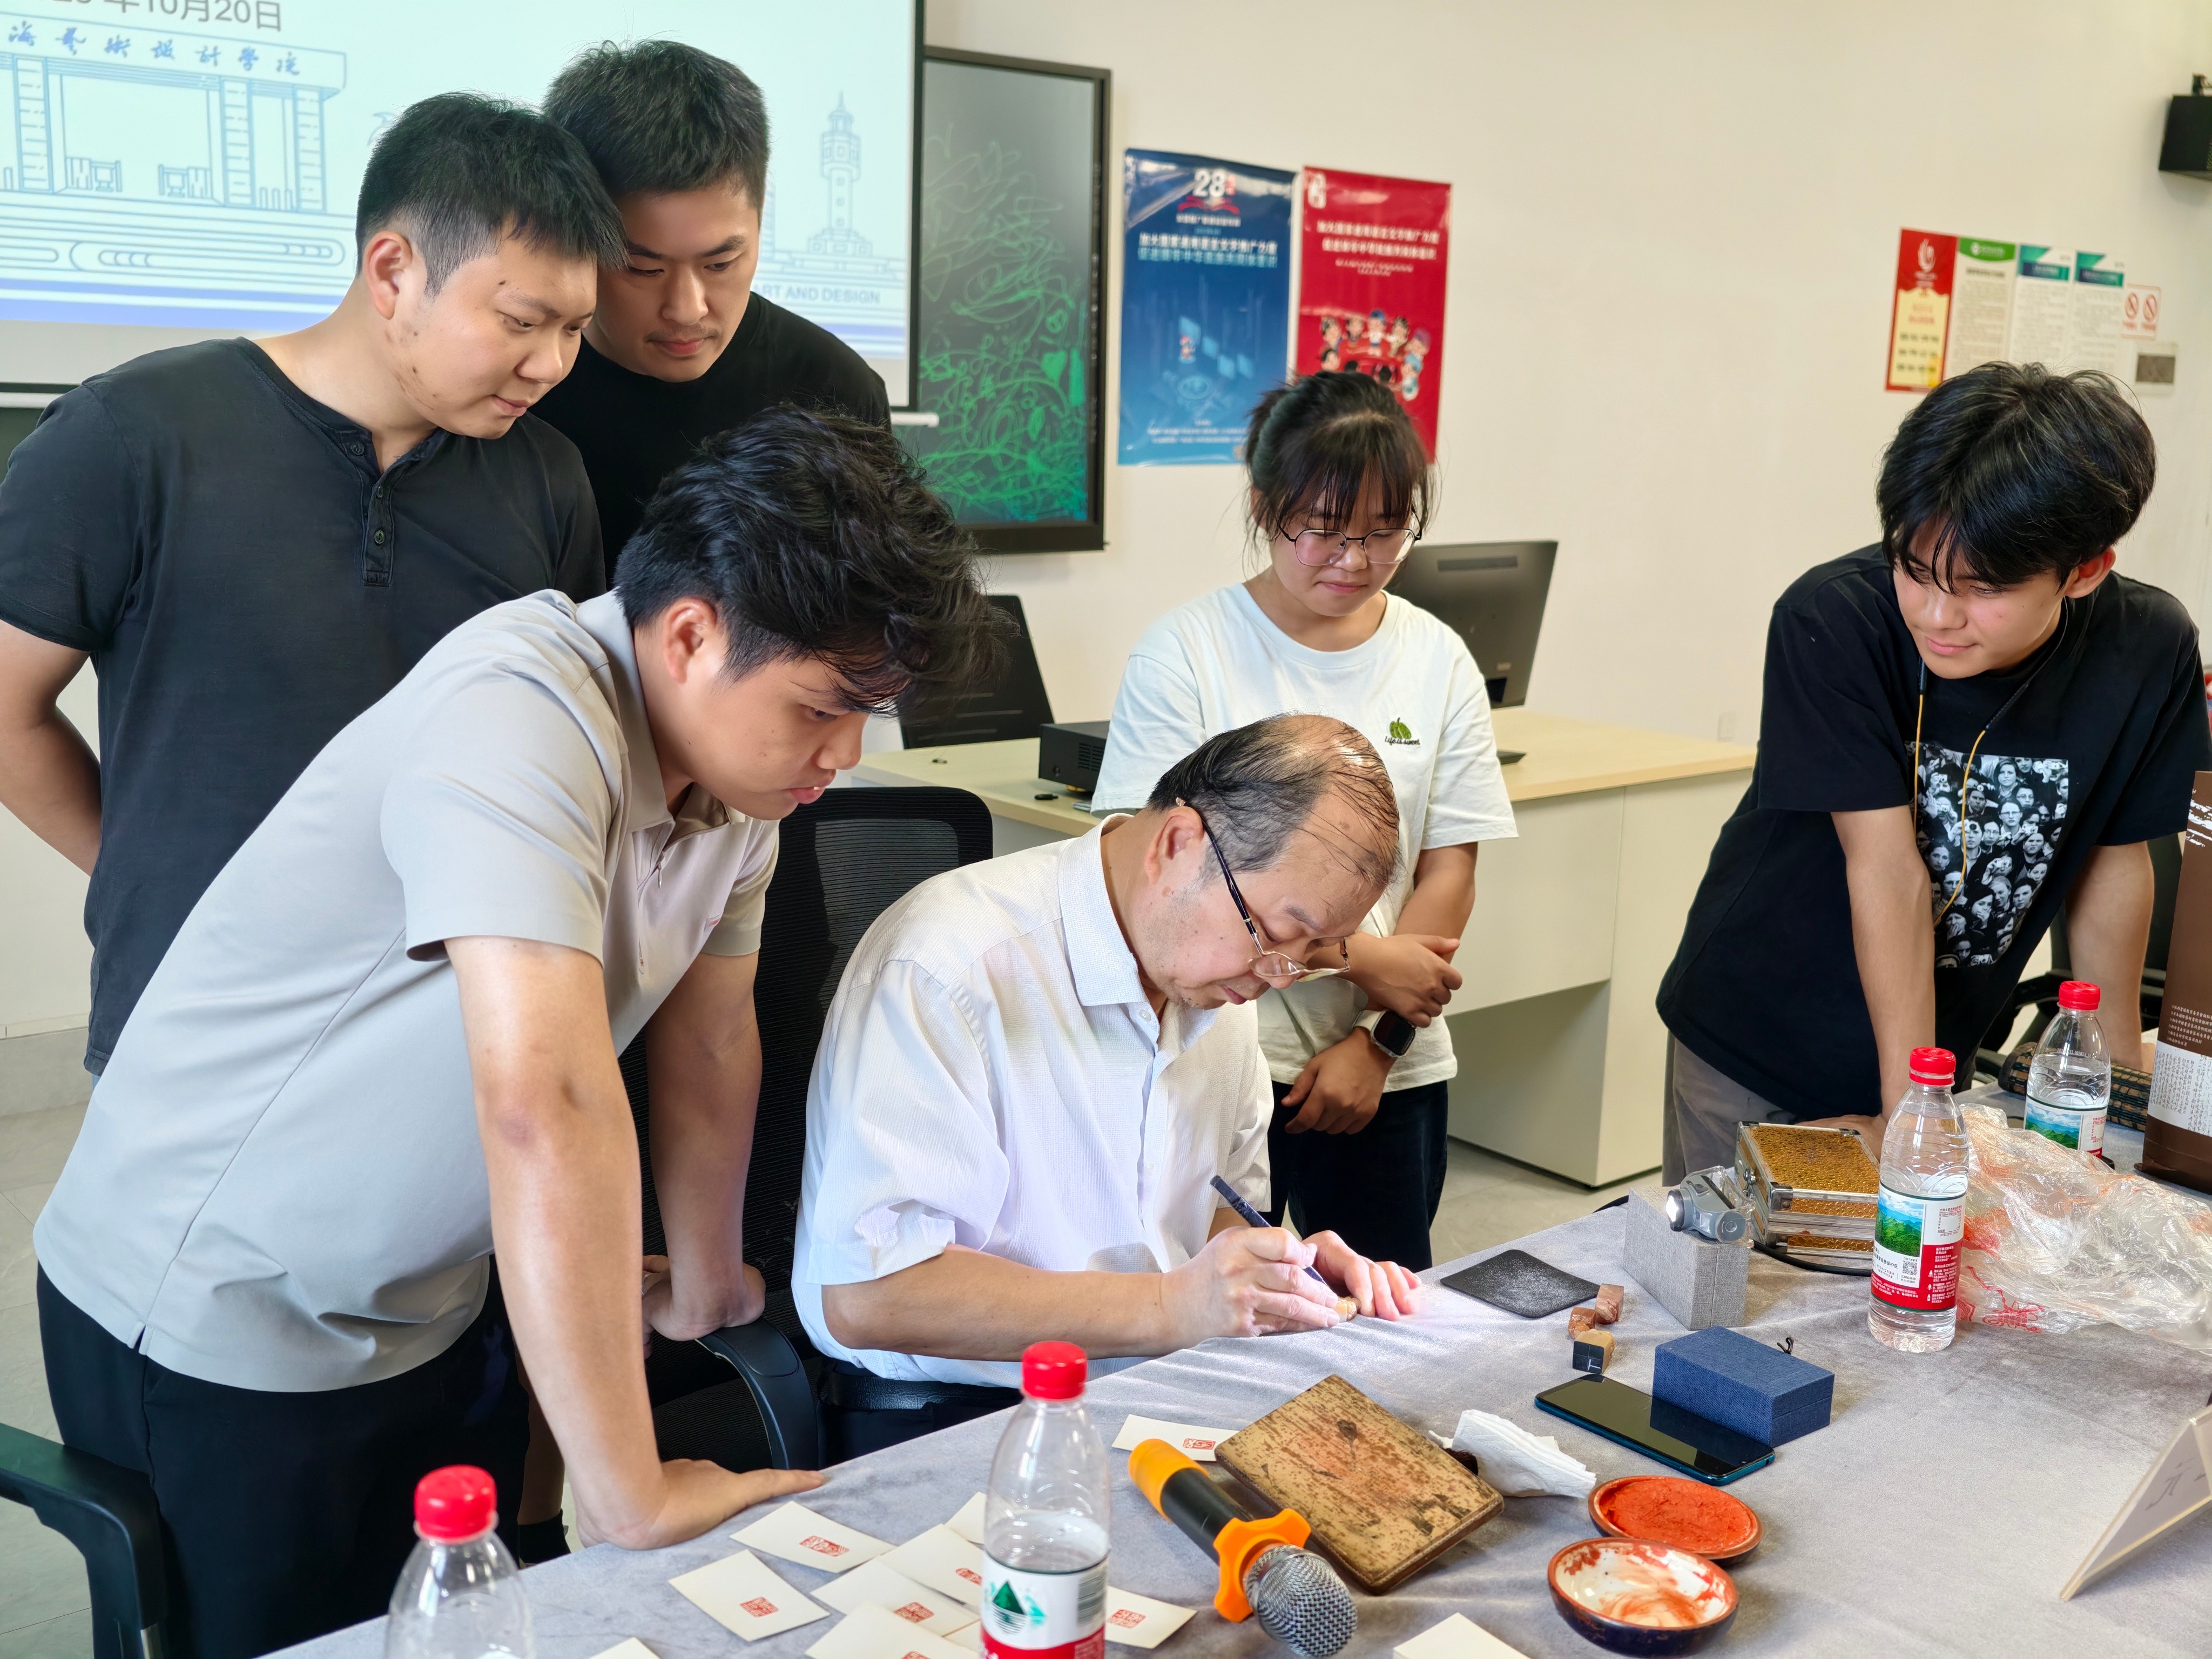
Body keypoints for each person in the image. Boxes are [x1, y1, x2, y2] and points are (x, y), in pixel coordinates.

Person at [32, 408, 999, 1659]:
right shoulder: (521, 712)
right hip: (227, 1307)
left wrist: (707, 1281)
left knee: (462, 1628)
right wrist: (628, 1488)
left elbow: (711, 1039)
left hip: (435, 1295)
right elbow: (546, 1103)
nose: (844, 754)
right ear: (692, 635)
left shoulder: (739, 782)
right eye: (824, 707)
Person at [0, 93, 617, 1077]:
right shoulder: (133, 434)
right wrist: (146, 877)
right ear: (393, 270)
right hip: (194, 1020)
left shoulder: (548, 478)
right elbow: (7, 708)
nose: (549, 364)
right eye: (519, 321)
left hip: (441, 1026)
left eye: (575, 329)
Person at [794, 716, 1424, 1459]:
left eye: (1314, 952)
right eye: (1276, 934)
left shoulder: (1219, 977)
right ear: (1178, 844)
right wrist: (1169, 1305)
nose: (1280, 976)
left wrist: (1279, 1276)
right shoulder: (948, 965)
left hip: (1156, 1388)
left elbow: (1218, 1209)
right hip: (963, 1413)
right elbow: (870, 1294)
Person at [1657, 363, 2212, 1180]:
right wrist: (1908, 1115)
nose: (1938, 615)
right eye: (1916, 571)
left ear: (2085, 570)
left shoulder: (2147, 647)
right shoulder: (1836, 618)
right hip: (1759, 1034)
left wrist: (2113, 1087)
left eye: (1983, 589)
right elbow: (1886, 868)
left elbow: (2112, 861)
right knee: (1740, 1254)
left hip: (1936, 1047)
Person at [1090, 373, 1516, 1270]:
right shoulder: (1187, 652)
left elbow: (1449, 866)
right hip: (1213, 1050)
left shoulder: (1437, 656)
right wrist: (1359, 956)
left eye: (1384, 531)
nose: (1353, 560)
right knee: (1207, 1304)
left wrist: (1378, 1042)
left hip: (1388, 1063)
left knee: (1382, 1306)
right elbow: (1151, 879)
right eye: (1322, 529)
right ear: (1264, 507)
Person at [536, 40, 890, 566]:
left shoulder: (835, 391)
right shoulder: (518, 389)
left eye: (720, 264)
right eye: (644, 269)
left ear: (762, 216)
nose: (687, 310)